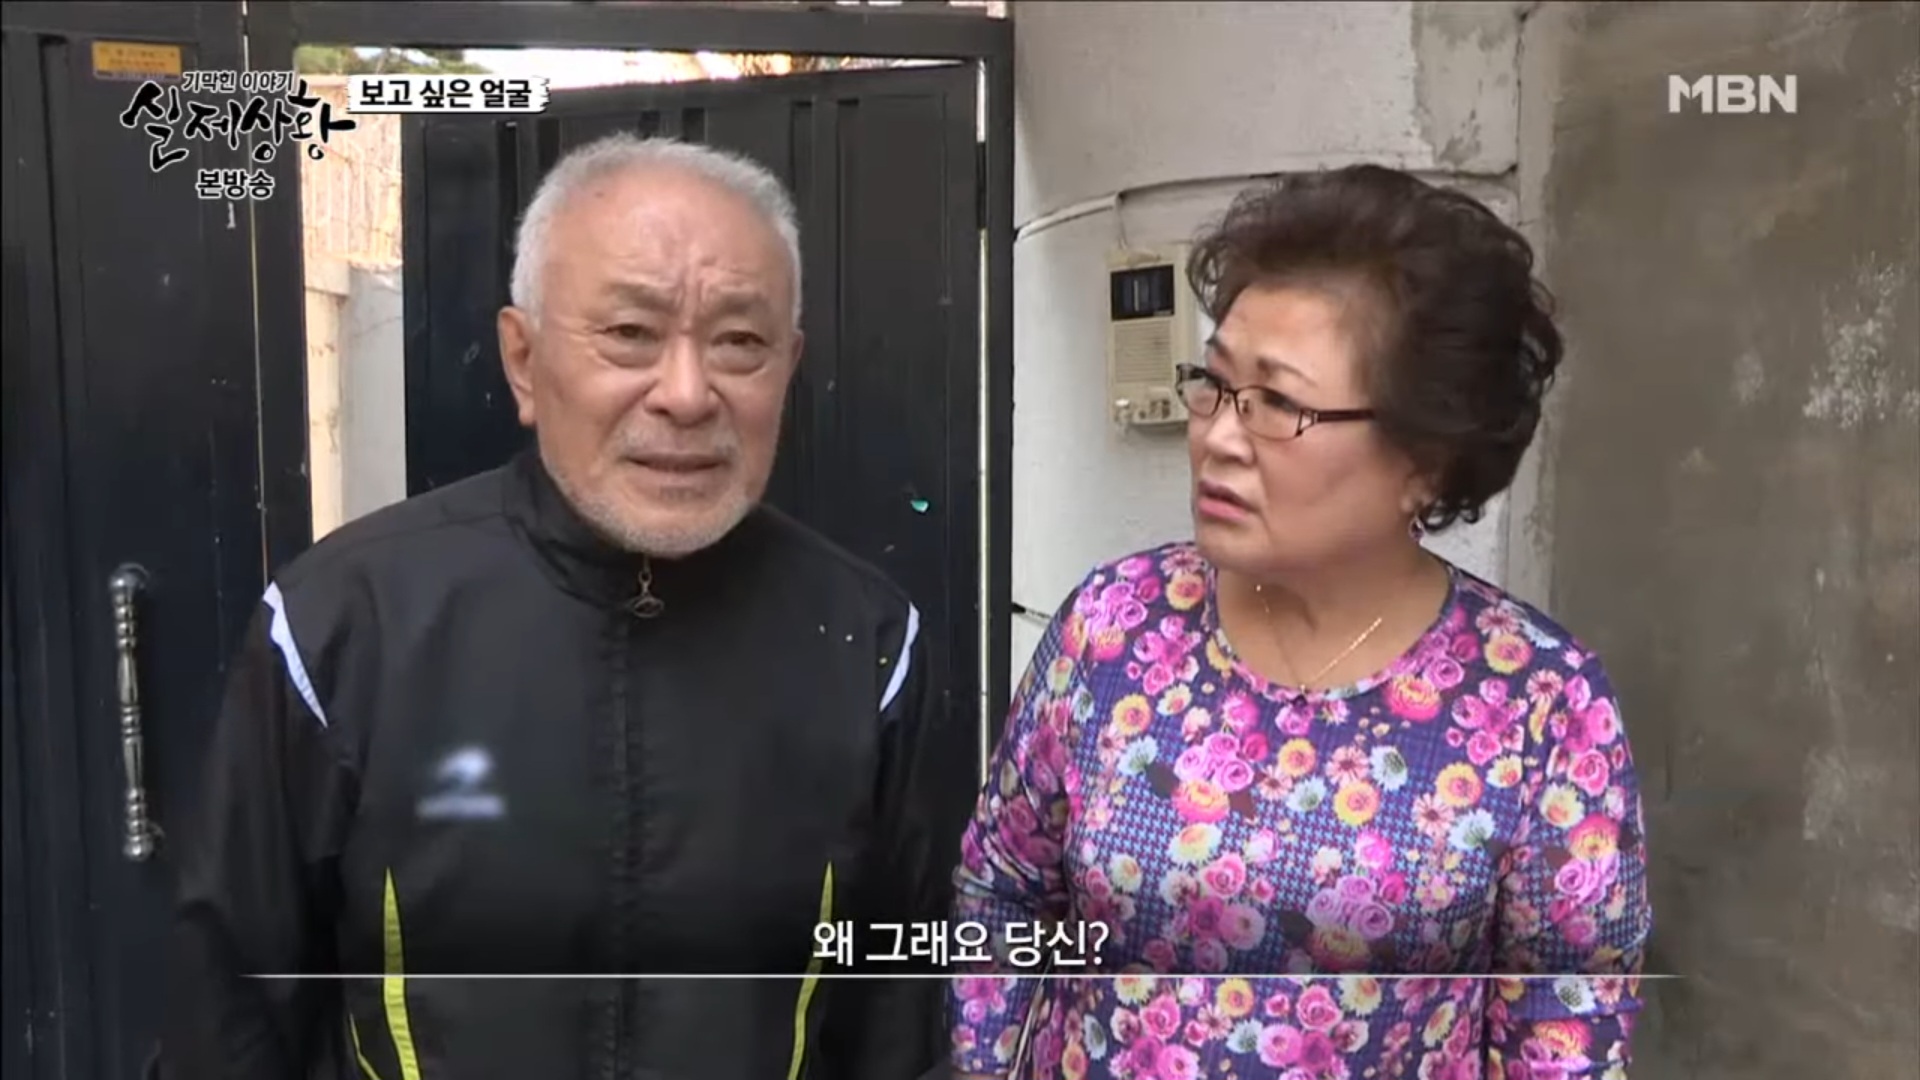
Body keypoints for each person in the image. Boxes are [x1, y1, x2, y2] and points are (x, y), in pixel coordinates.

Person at [163, 133, 973, 1080]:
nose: (686, 394)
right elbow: (232, 1010)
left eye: (740, 343)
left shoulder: (868, 648)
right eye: (629, 333)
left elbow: (899, 1013)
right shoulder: (344, 625)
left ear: (788, 366)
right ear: (522, 359)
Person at [949, 166, 1654, 1079]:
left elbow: (1564, 1031)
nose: (1218, 437)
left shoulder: (1541, 703)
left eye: (1278, 404)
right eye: (1215, 384)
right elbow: (1003, 889)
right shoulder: (1114, 628)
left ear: (1426, 458)